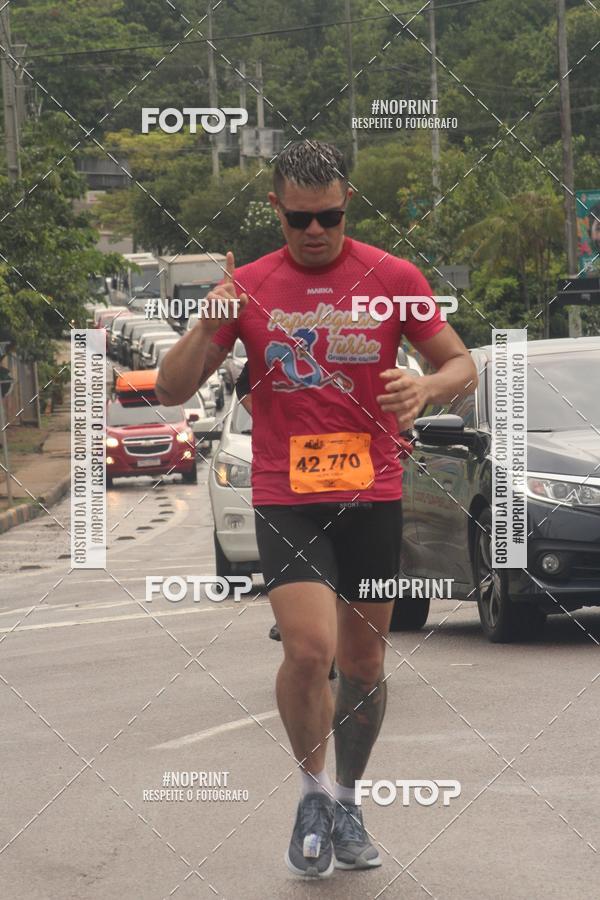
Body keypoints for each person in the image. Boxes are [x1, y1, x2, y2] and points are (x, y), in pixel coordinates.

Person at [156, 140, 478, 879]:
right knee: (309, 650)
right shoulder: (250, 287)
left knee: (364, 662)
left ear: (346, 204)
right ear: (276, 209)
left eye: (329, 217)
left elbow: (459, 363)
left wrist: (427, 390)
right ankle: (309, 795)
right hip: (286, 495)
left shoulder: (393, 277)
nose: (314, 232)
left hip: (374, 494)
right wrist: (208, 324)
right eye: (299, 219)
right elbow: (171, 392)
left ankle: (347, 798)